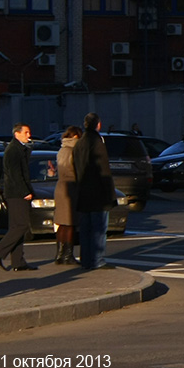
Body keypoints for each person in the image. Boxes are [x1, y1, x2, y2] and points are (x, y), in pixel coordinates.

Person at [73, 112, 117, 270]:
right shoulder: (97, 142)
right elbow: (104, 169)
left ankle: (86, 259)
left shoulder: (79, 143)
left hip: (83, 192)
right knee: (99, 228)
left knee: (85, 229)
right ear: (98, 124)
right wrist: (110, 193)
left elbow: (76, 167)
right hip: (98, 193)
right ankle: (97, 259)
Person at [0, 123, 37, 271]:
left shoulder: (20, 149)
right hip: (16, 194)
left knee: (16, 226)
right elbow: (15, 174)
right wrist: (25, 191)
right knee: (21, 225)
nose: (29, 135)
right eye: (26, 132)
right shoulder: (13, 150)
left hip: (16, 192)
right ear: (17, 134)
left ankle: (18, 261)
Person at [53, 125, 82, 265]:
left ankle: (60, 254)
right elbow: (78, 171)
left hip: (60, 187)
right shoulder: (74, 151)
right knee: (71, 222)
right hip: (71, 187)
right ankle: (68, 255)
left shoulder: (62, 149)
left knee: (62, 223)